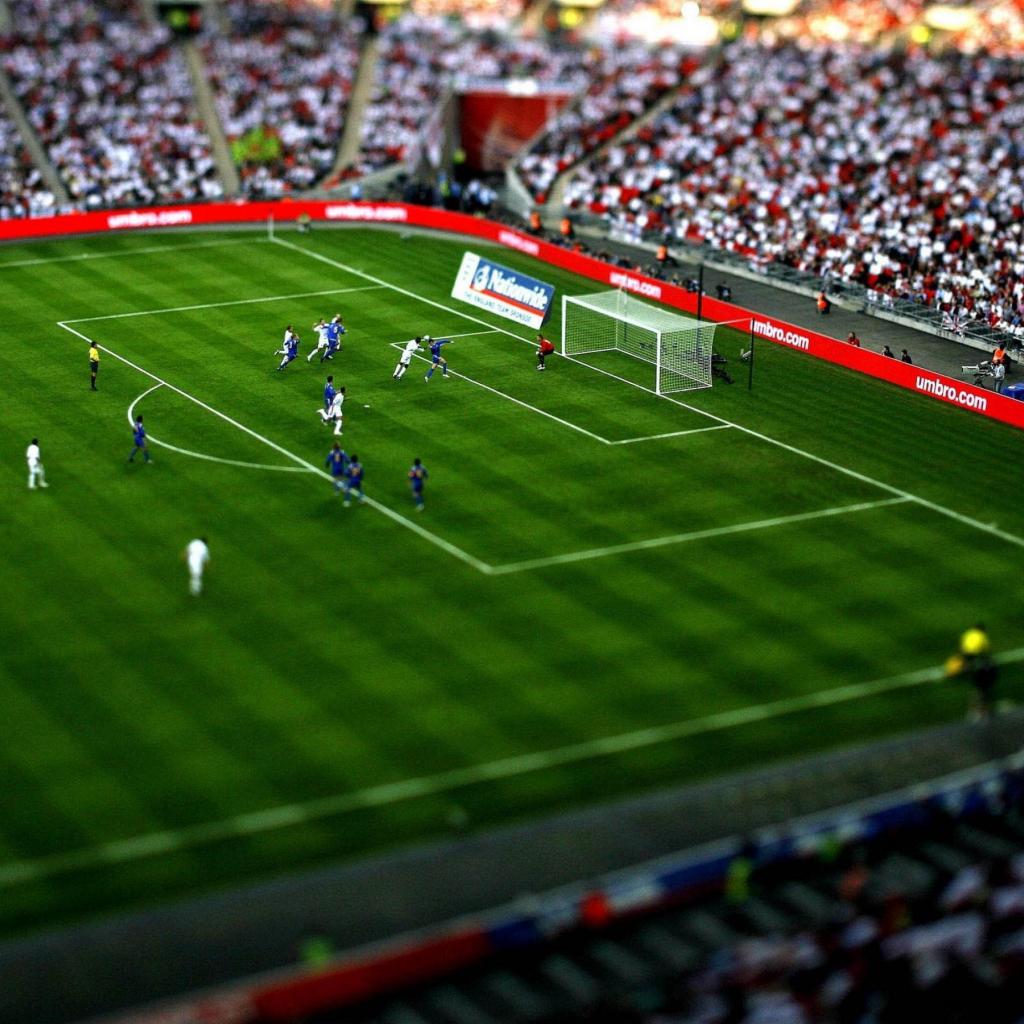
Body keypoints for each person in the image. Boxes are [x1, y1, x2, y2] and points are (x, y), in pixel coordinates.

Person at [946, 623, 999, 719]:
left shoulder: (968, 634)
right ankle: (983, 710)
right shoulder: (981, 636)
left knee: (978, 689)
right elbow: (985, 650)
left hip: (966, 658)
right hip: (978, 663)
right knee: (983, 689)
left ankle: (974, 710)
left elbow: (962, 647)